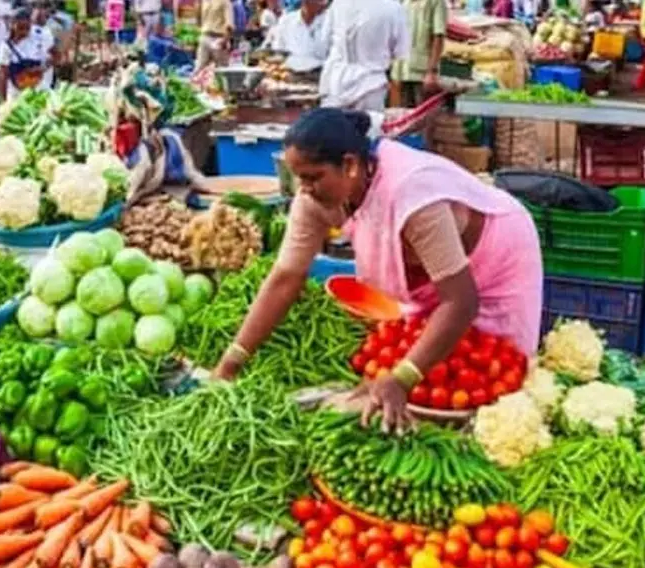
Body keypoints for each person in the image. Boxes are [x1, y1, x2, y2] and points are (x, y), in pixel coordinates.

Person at [212, 109, 542, 432]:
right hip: (431, 276)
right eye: (299, 177)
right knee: (435, 363)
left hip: (496, 255)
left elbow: (460, 302)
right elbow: (285, 279)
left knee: (495, 374)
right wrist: (232, 360)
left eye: (313, 177)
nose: (304, 188)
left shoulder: (411, 193)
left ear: (351, 165)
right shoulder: (314, 200)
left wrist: (402, 378)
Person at [318, 0, 408, 117]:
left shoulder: (338, 3)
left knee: (331, 131)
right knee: (368, 132)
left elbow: (324, 41)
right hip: (371, 86)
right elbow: (400, 51)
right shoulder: (394, 7)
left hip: (336, 83)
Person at [0, 5, 54, 100]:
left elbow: (54, 56)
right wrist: (3, 100)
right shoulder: (6, 46)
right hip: (16, 95)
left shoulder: (39, 38)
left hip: (39, 92)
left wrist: (42, 68)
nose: (24, 32)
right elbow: (2, 74)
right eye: (20, 28)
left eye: (27, 28)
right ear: (13, 25)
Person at [396, 0, 447, 107]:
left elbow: (438, 36)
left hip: (422, 72)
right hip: (403, 70)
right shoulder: (405, 3)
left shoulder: (436, 2)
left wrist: (432, 71)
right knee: (406, 115)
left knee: (422, 114)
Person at [267, 0, 326, 72]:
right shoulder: (286, 22)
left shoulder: (329, 23)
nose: (324, 3)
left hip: (320, 75)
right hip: (289, 74)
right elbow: (278, 51)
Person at [195, 0, 233, 69]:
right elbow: (198, 20)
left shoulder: (225, 2)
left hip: (217, 38)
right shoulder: (203, 1)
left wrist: (224, 41)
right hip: (206, 37)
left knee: (220, 70)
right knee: (201, 70)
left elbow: (229, 26)